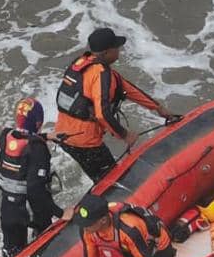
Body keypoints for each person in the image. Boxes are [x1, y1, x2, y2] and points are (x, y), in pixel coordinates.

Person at [54, 28, 177, 181]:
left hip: (63, 135)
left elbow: (126, 87)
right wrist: (125, 135)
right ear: (107, 52)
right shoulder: (101, 74)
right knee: (112, 180)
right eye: (116, 48)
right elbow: (102, 113)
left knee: (102, 177)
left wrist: (158, 108)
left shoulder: (82, 63)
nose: (119, 50)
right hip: (85, 142)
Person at [0, 97, 67, 257]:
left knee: (10, 256)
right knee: (47, 249)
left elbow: (23, 136)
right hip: (30, 210)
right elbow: (36, 191)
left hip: (8, 208)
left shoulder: (5, 136)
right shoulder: (38, 149)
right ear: (38, 121)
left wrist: (45, 136)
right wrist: (61, 213)